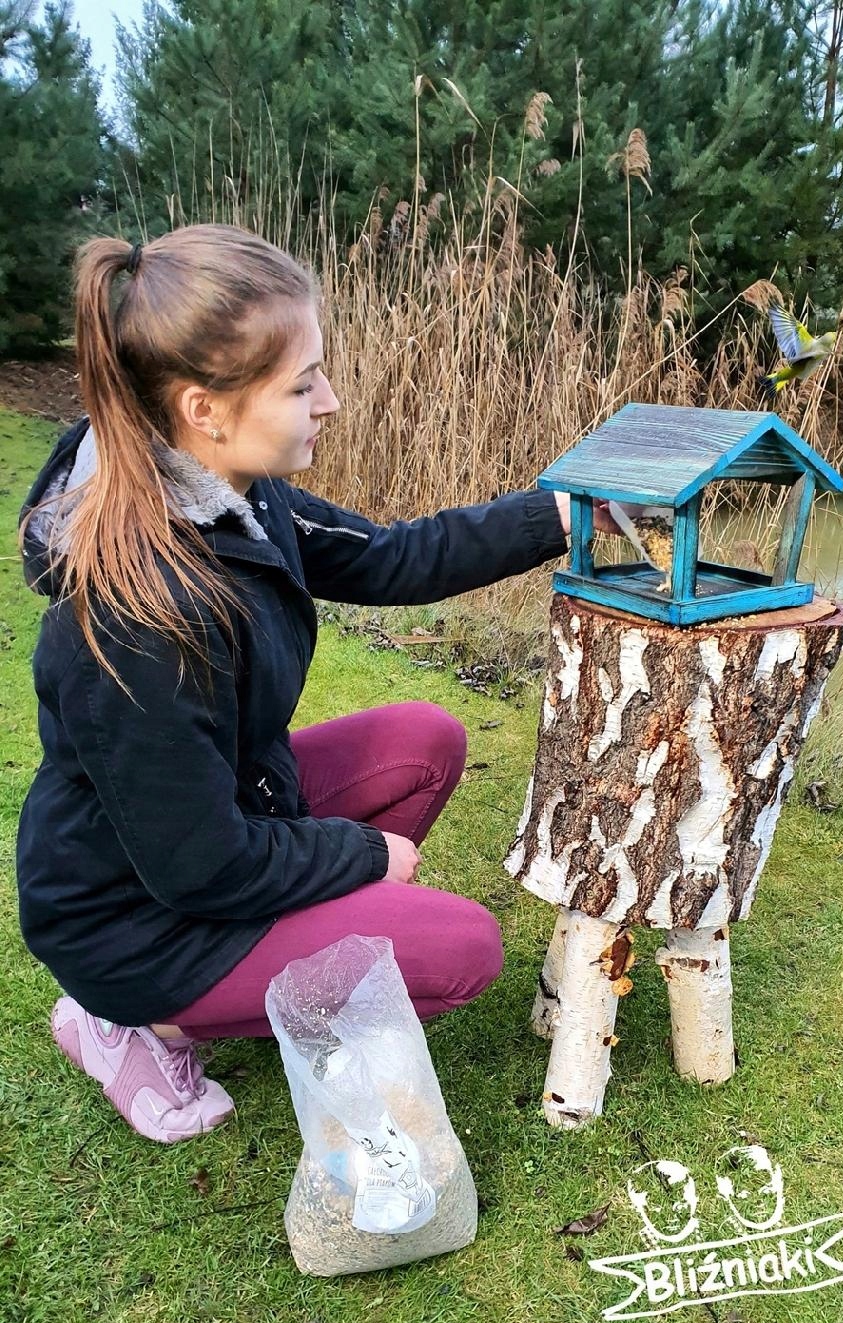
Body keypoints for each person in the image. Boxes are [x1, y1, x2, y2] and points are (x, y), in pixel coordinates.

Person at [16, 224, 616, 1145]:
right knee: (462, 950)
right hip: (136, 916)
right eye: (302, 385)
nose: (329, 401)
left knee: (424, 742)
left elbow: (389, 557)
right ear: (205, 409)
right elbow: (200, 866)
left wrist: (562, 513)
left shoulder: (234, 494)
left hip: (218, 819)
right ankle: (136, 1025)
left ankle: (286, 959)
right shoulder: (139, 619)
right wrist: (363, 857)